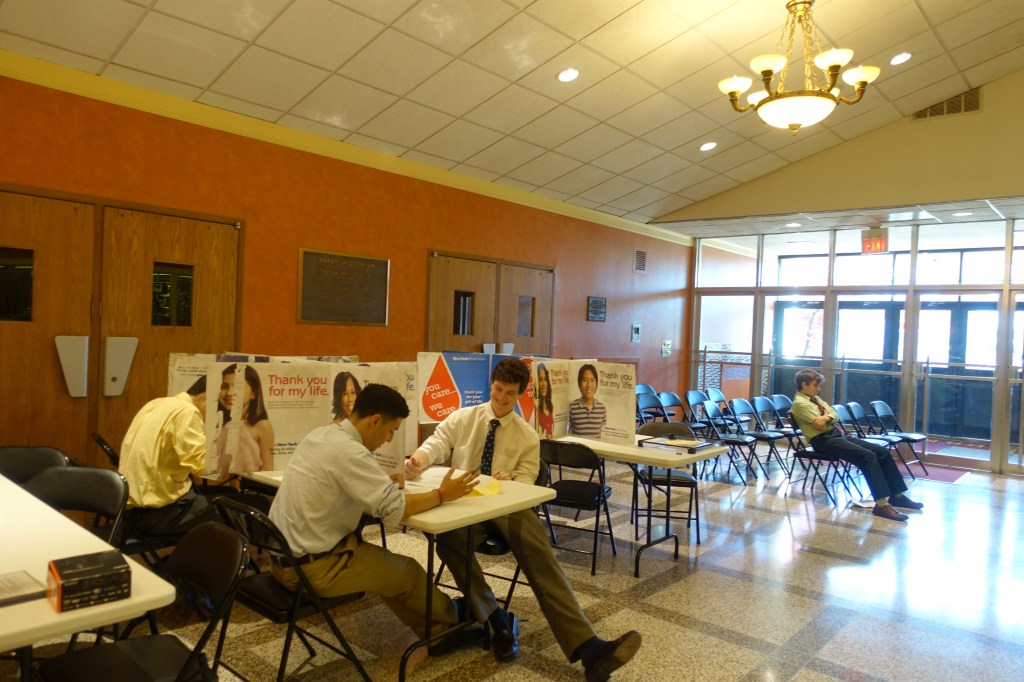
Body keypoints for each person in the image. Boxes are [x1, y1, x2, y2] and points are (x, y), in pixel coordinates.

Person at [405, 358, 641, 681]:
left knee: (535, 546)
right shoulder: (464, 418)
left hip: (504, 511)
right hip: (463, 510)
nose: (501, 399)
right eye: (498, 390)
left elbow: (528, 481)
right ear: (492, 385)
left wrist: (513, 482)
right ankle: (496, 619)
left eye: (510, 394)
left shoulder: (527, 437)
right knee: (448, 540)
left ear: (520, 395)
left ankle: (589, 647)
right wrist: (417, 460)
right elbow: (437, 442)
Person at [269, 383, 481, 648]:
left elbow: (342, 480)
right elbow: (396, 509)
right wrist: (442, 494)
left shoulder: (322, 436)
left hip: (284, 559)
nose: (389, 439)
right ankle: (459, 617)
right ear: (375, 420)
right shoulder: (351, 452)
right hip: (315, 568)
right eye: (391, 430)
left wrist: (380, 482)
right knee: (408, 572)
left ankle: (437, 631)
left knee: (388, 570)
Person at [119, 376, 267, 535]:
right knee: (257, 504)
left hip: (128, 507)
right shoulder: (187, 412)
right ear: (208, 397)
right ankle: (236, 557)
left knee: (231, 494)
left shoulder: (157, 404)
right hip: (160, 514)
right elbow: (203, 468)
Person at [790, 369, 923, 522]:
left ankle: (897, 495)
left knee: (882, 452)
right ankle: (881, 504)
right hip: (823, 441)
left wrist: (829, 417)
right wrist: (829, 417)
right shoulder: (799, 404)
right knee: (867, 456)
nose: (818, 389)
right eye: (815, 385)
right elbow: (820, 425)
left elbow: (835, 415)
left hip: (836, 436)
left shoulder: (816, 399)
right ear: (804, 385)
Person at [217, 363, 274, 474]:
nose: (229, 393)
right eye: (224, 386)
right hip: (217, 488)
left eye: (238, 387)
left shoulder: (262, 426)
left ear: (253, 393)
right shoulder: (218, 426)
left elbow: (268, 471)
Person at [568, 363, 605, 437]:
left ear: (596, 383)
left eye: (592, 380)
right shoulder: (571, 407)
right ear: (579, 383)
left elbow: (602, 435)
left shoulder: (602, 408)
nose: (589, 385)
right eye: (585, 380)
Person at [534, 362, 554, 439]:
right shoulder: (535, 408)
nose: (543, 384)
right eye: (540, 380)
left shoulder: (551, 405)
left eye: (545, 379)